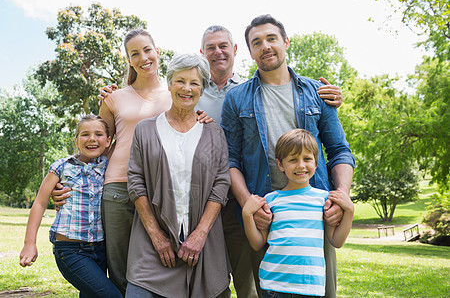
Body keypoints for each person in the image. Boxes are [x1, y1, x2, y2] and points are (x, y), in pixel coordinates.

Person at [50, 29, 211, 295]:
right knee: (119, 268)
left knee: (162, 263)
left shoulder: (175, 92)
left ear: (157, 51)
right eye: (134, 53)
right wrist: (67, 184)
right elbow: (97, 148)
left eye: (147, 50)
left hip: (161, 190)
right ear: (128, 60)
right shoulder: (113, 98)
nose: (143, 57)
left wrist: (203, 118)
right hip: (118, 188)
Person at [198, 25, 345, 298]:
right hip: (267, 216)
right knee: (270, 290)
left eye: (271, 39)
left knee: (323, 291)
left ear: (286, 41)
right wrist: (250, 206)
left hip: (315, 214)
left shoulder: (318, 93)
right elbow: (231, 160)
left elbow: (339, 150)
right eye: (257, 42)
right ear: (250, 52)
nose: (265, 46)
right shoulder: (238, 97)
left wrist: (340, 199)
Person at [125, 53, 231, 297]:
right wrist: (156, 234)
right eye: (180, 80)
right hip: (153, 247)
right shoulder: (146, 129)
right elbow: (136, 181)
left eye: (194, 83)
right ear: (169, 83)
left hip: (203, 245)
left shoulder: (214, 132)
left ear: (202, 88)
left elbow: (221, 182)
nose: (187, 88)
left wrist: (200, 234)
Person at [242, 129, 354, 298]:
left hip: (310, 288)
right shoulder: (270, 201)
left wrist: (350, 211)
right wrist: (247, 215)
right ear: (281, 165)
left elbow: (336, 241)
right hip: (274, 286)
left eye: (307, 159)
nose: (301, 165)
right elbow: (258, 244)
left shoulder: (324, 200)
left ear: (316, 163)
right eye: (293, 160)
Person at [19, 115, 122, 298]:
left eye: (98, 134)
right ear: (76, 140)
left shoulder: (108, 165)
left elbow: (126, 135)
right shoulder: (61, 167)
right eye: (85, 134)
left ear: (108, 141)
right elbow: (40, 203)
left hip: (100, 249)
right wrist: (30, 243)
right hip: (70, 251)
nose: (91, 138)